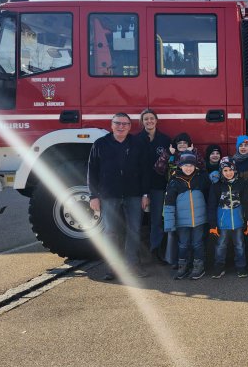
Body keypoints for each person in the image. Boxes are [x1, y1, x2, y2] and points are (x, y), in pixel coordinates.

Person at [87, 113, 150, 280]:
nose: (121, 126)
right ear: (111, 125)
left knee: (134, 230)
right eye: (118, 123)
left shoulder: (137, 143)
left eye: (125, 124)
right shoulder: (100, 144)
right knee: (111, 232)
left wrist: (145, 194)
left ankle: (133, 265)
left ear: (130, 127)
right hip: (109, 195)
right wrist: (93, 195)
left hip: (134, 195)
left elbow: (145, 171)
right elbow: (92, 171)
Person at [154, 132, 204, 267]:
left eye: (185, 143)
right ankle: (174, 260)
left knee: (188, 233)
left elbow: (202, 166)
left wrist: (193, 152)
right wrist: (167, 154)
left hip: (188, 198)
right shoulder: (170, 157)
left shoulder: (194, 156)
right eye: (179, 143)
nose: (182, 145)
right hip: (171, 195)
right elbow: (159, 169)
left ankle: (191, 261)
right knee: (173, 231)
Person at [163, 152, 208, 280]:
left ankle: (198, 267)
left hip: (199, 220)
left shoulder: (201, 178)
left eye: (191, 165)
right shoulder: (174, 182)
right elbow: (169, 204)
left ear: (195, 166)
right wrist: (169, 223)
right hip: (182, 222)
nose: (189, 168)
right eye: (186, 165)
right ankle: (183, 266)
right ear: (180, 166)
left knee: (197, 244)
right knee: (183, 244)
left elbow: (211, 195)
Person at [136, 108, 172, 263]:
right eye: (146, 119)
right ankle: (136, 255)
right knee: (136, 220)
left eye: (151, 118)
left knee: (156, 220)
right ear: (142, 122)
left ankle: (155, 252)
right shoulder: (136, 140)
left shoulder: (165, 140)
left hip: (158, 185)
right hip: (138, 187)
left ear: (156, 120)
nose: (149, 121)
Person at [207, 157, 248, 279]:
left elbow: (246, 202)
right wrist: (213, 224)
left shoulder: (241, 183)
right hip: (222, 223)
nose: (228, 173)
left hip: (238, 222)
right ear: (221, 172)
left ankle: (241, 267)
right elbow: (211, 206)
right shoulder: (216, 186)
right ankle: (219, 267)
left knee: (240, 245)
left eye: (230, 170)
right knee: (221, 245)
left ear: (235, 170)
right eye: (225, 170)